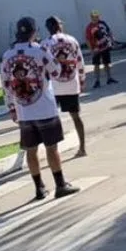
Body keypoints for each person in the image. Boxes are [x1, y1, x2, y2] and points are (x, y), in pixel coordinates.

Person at [1, 17, 80, 201]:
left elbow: (5, 84)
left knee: (31, 150)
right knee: (52, 149)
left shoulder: (7, 56)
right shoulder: (40, 50)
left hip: (23, 110)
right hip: (44, 107)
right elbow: (56, 71)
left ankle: (39, 188)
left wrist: (12, 107)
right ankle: (60, 184)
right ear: (34, 32)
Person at [43, 16, 87, 158]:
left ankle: (54, 151)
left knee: (52, 120)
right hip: (71, 83)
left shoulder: (45, 44)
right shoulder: (72, 40)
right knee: (76, 116)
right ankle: (82, 147)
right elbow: (79, 60)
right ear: (60, 26)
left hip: (54, 86)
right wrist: (82, 78)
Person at [84, 10, 117, 88]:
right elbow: (88, 39)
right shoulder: (89, 27)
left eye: (97, 16)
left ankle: (109, 78)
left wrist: (113, 40)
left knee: (107, 63)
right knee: (96, 65)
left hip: (105, 46)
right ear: (91, 17)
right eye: (94, 17)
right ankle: (97, 81)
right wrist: (91, 50)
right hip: (96, 49)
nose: (95, 18)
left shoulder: (102, 23)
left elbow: (109, 31)